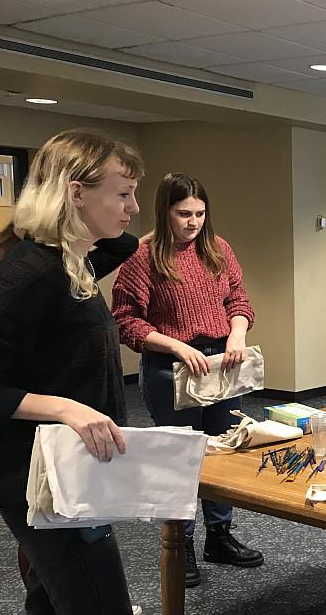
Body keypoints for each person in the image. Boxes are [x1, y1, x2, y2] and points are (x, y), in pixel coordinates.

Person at [0, 129, 143, 615]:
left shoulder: (68, 261)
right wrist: (64, 408)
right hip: (41, 481)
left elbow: (122, 245)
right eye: (124, 193)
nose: (132, 208)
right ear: (75, 193)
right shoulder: (28, 273)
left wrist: (108, 232)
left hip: (69, 475)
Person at [112, 172, 264, 588]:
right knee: (181, 459)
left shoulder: (217, 249)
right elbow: (126, 321)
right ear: (165, 212)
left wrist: (237, 333)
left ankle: (219, 535)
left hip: (220, 362)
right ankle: (181, 547)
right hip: (172, 366)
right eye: (183, 214)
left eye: (199, 213)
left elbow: (239, 300)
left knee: (223, 449)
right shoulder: (143, 257)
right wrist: (177, 346)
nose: (193, 222)